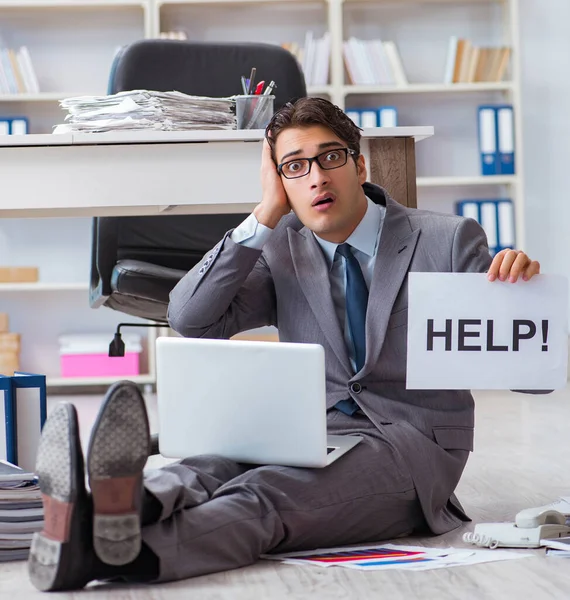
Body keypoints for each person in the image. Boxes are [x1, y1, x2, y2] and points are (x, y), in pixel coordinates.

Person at [29, 97, 541, 591]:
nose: (317, 176)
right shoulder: (281, 248)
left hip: (408, 446)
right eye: (295, 167)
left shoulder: (446, 239)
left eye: (330, 158)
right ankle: (109, 511)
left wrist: (520, 299)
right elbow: (189, 319)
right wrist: (264, 216)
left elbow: (530, 378)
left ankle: (106, 552)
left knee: (264, 496)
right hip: (306, 432)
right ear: (279, 182)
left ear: (359, 165)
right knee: (204, 469)